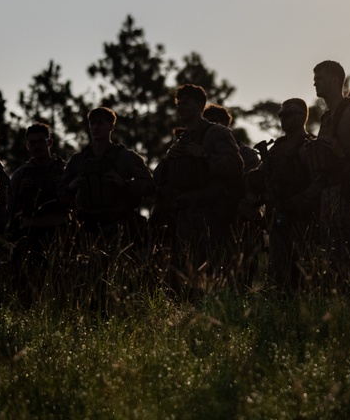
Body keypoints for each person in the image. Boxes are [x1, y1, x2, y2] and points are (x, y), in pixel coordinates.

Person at [153, 85, 244, 272]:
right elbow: (158, 177)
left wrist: (204, 155)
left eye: (186, 103)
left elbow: (236, 166)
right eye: (179, 103)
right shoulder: (182, 139)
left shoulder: (216, 133)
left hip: (211, 216)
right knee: (183, 275)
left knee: (211, 274)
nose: (180, 107)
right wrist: (169, 157)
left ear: (200, 105)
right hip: (184, 216)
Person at [310, 61, 350, 272]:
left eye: (319, 78)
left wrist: (344, 153)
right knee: (332, 258)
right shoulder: (327, 118)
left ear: (335, 80)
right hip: (330, 195)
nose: (314, 83)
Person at [249, 98, 318, 289]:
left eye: (288, 114)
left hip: (302, 219)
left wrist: (297, 204)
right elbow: (263, 176)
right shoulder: (278, 147)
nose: (283, 118)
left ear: (302, 116)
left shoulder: (309, 146)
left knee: (303, 274)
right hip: (278, 217)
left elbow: (318, 182)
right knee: (278, 275)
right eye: (281, 114)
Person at [59, 108, 154, 241]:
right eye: (92, 123)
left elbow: (149, 186)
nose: (95, 127)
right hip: (87, 229)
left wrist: (125, 183)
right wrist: (70, 187)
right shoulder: (77, 160)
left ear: (111, 126)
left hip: (119, 227)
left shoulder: (126, 157)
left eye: (100, 123)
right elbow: (60, 194)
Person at [6, 123, 68, 297]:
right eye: (32, 143)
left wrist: (62, 189)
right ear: (27, 146)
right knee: (28, 288)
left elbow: (79, 203)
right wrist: (21, 193)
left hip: (60, 234)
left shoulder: (64, 170)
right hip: (30, 235)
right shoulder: (20, 175)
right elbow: (9, 211)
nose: (37, 146)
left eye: (41, 141)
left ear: (50, 143)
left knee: (63, 286)